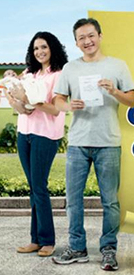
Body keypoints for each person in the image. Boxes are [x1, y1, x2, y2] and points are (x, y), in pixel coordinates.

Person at [52, 18, 134, 271]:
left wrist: (114, 92)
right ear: (76, 43)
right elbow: (57, 100)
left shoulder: (117, 66)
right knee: (73, 200)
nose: (87, 41)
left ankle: (108, 249)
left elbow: (131, 100)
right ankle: (77, 248)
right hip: (78, 142)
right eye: (81, 38)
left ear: (99, 35)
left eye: (91, 35)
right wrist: (68, 106)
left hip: (108, 142)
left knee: (109, 200)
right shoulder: (70, 68)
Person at [5, 32, 68, 257]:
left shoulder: (59, 75)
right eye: (35, 49)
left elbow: (55, 109)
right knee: (33, 188)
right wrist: (16, 100)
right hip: (25, 133)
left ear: (52, 48)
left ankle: (48, 240)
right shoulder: (29, 73)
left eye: (43, 47)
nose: (39, 52)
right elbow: (21, 104)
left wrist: (34, 101)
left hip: (46, 135)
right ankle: (35, 239)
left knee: (39, 186)